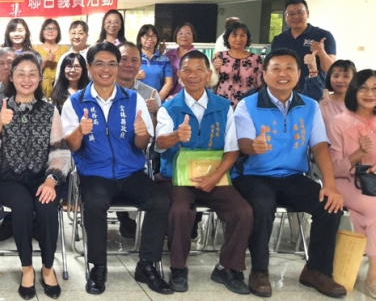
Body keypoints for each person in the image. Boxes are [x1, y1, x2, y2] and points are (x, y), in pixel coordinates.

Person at [232, 48, 346, 298]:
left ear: (298, 73)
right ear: (264, 74)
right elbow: (242, 144)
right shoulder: (247, 104)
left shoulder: (310, 106)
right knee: (262, 204)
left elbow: (320, 147)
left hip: (293, 176)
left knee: (330, 204)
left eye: (289, 68)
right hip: (254, 175)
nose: (282, 74)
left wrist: (330, 184)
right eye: (276, 68)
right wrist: (254, 146)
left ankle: (316, 270)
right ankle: (259, 270)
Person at [61, 42, 172, 295]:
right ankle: (98, 267)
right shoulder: (75, 102)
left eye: (112, 63)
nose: (106, 69)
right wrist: (80, 130)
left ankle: (147, 265)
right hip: (94, 173)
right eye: (99, 63)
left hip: (130, 171)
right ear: (89, 68)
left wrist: (142, 134)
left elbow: (142, 144)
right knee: (95, 204)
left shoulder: (134, 99)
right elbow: (73, 146)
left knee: (159, 201)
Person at [154, 50, 252, 294]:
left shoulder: (223, 106)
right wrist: (176, 136)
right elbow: (159, 143)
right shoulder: (169, 107)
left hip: (215, 176)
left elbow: (232, 149)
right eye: (187, 70)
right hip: (177, 178)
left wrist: (215, 176)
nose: (193, 75)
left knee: (243, 211)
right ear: (179, 75)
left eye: (200, 70)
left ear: (210, 75)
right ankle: (178, 268)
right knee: (179, 211)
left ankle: (227, 268)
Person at [0, 53, 70, 299]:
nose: (26, 79)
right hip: (8, 178)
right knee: (21, 204)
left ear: (40, 78)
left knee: (48, 207)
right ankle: (27, 268)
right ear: (12, 77)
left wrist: (51, 179)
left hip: (43, 177)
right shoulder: (0, 108)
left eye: (32, 74)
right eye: (20, 73)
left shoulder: (50, 111)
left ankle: (48, 268)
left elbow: (60, 152)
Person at [327, 69, 376, 298]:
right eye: (364, 88)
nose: (369, 93)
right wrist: (359, 153)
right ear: (354, 90)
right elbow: (334, 168)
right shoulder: (339, 122)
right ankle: (373, 279)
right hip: (346, 182)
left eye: (375, 89)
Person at [113, 42, 163, 239]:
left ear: (140, 64)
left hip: (140, 156)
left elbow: (157, 134)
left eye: (134, 60)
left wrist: (155, 113)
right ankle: (124, 215)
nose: (128, 64)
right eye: (123, 59)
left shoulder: (150, 93)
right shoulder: (102, 90)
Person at [271, 0, 336, 101]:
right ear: (285, 16)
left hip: (315, 93)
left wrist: (322, 54)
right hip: (285, 93)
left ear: (308, 13)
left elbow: (332, 69)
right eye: (291, 14)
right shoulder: (279, 39)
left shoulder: (322, 35)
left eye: (300, 12)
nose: (296, 17)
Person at [213, 22, 263, 107]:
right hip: (222, 104)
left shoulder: (256, 59)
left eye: (243, 35)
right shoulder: (219, 56)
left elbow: (260, 85)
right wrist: (215, 69)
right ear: (227, 38)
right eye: (234, 35)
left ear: (247, 38)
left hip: (247, 104)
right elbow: (210, 82)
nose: (238, 39)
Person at [35, 19, 70, 100]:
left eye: (54, 28)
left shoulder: (65, 49)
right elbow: (33, 73)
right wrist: (44, 61)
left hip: (59, 88)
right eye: (47, 28)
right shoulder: (35, 49)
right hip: (39, 88)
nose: (50, 31)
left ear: (58, 32)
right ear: (42, 31)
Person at [136, 24, 173, 99]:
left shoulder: (164, 60)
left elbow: (169, 83)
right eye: (146, 36)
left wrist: (157, 100)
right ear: (140, 39)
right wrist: (135, 77)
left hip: (157, 102)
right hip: (136, 100)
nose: (150, 39)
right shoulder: (134, 58)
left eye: (153, 36)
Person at [164, 23, 197, 100]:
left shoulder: (197, 56)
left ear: (193, 36)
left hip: (188, 98)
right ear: (176, 36)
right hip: (166, 99)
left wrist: (176, 97)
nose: (183, 36)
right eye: (180, 33)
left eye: (188, 33)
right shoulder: (169, 54)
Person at [320, 60, 356, 128]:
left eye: (346, 76)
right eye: (335, 76)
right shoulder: (321, 104)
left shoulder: (359, 104)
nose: (340, 80)